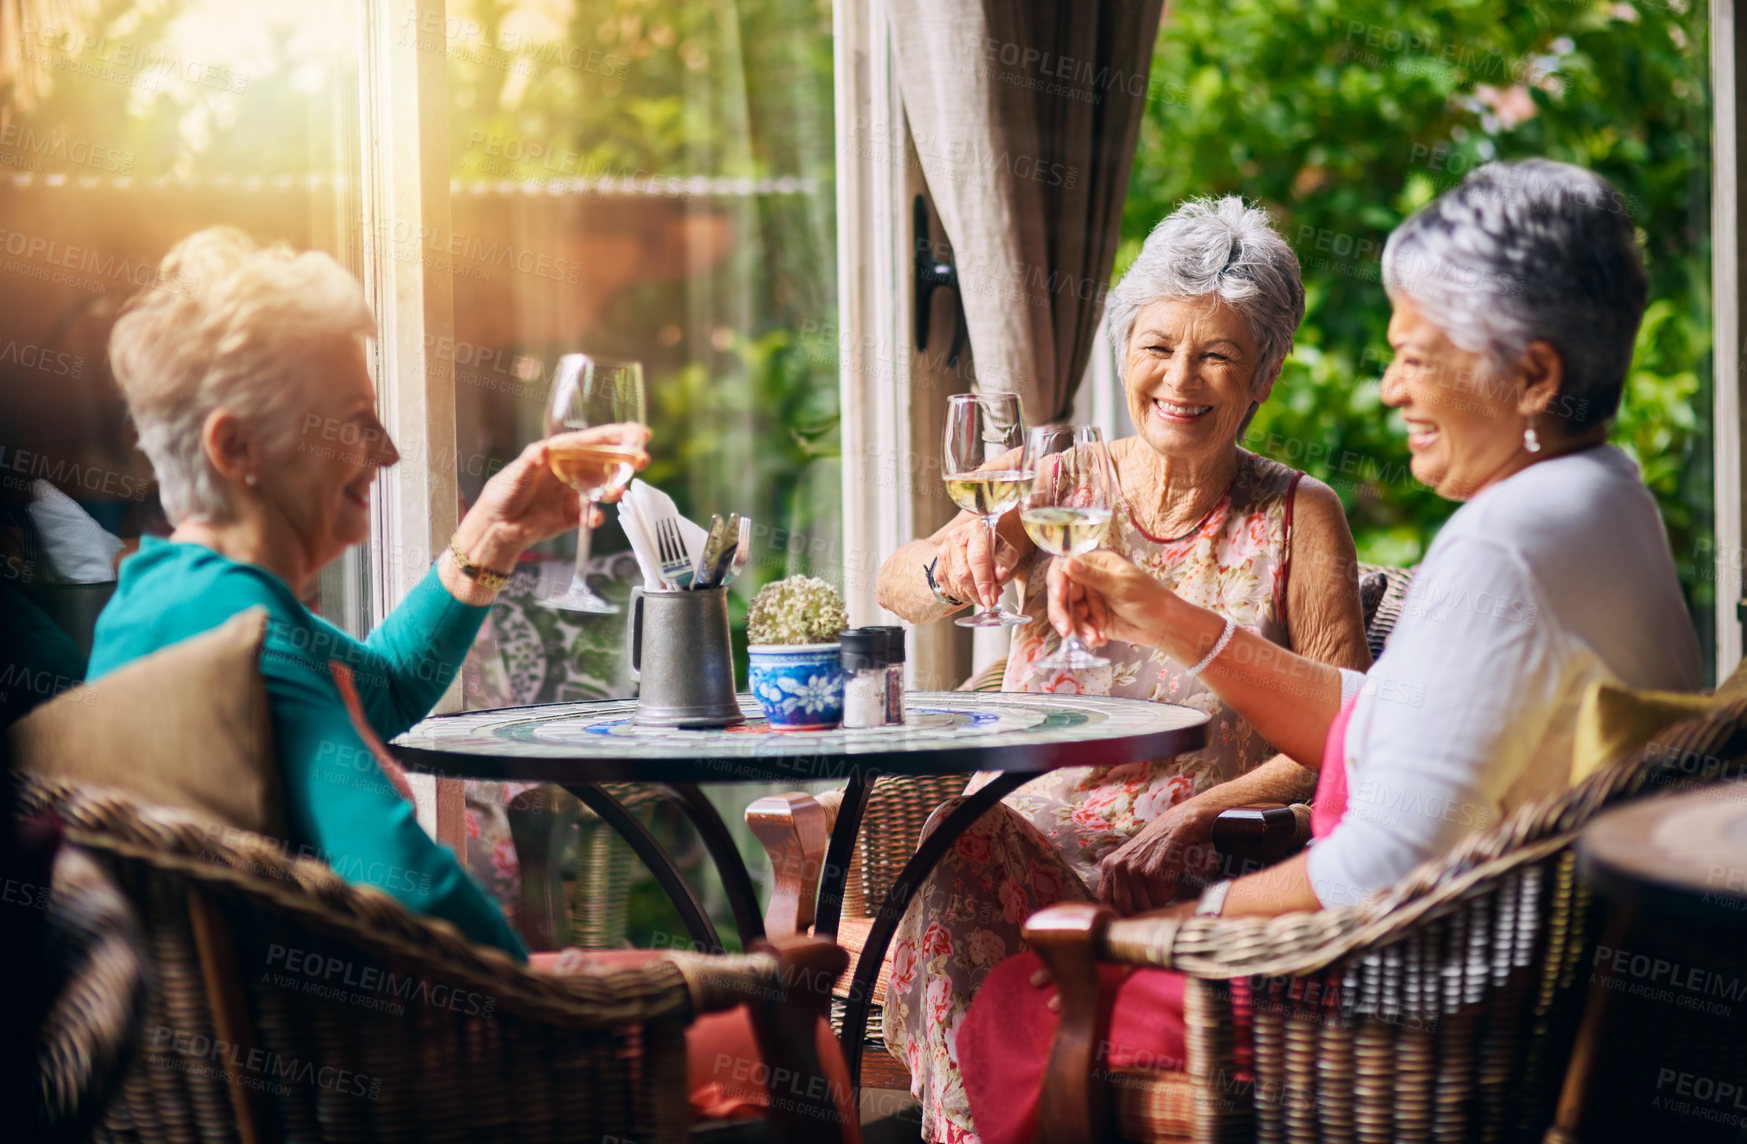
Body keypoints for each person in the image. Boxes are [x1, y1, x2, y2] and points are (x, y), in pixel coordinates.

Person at [957, 159, 1703, 1144]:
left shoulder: (1501, 549)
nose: (1390, 387)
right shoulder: (1610, 504)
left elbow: (1377, 867)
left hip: (1370, 1024)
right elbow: (1386, 720)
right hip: (1486, 998)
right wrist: (1165, 614)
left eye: (1416, 354)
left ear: (1533, 375)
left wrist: (1165, 929)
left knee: (1021, 994)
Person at [92, 228, 855, 1133]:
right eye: (352, 418)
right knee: (795, 1036)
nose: (386, 453)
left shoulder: (157, 609)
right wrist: (550, 985)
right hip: (396, 1086)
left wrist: (494, 535)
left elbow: (374, 692)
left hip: (276, 1080)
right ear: (235, 448)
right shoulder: (250, 638)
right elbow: (429, 912)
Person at [874, 197, 1372, 1143]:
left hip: (1178, 874)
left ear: (1265, 372)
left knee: (949, 856)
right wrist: (956, 563)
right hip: (1014, 850)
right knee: (955, 838)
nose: (1179, 379)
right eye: (1156, 346)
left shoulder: (1301, 517)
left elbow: (1342, 737)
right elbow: (900, 587)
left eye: (1216, 355)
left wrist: (1193, 815)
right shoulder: (1053, 481)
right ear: (1122, 349)